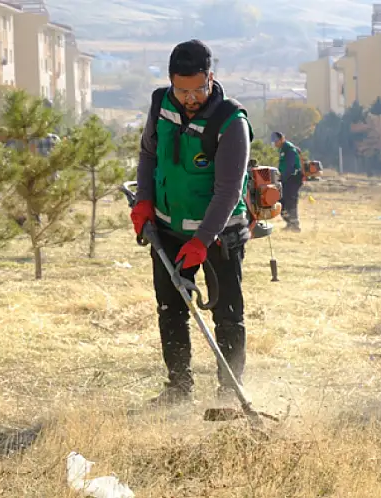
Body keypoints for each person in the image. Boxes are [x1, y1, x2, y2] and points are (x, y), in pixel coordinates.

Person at [130, 39, 254, 406]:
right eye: (182, 90)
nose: (190, 98)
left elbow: (229, 190)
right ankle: (178, 389)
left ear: (211, 78)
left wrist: (202, 240)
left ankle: (229, 396)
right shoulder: (161, 104)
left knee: (227, 315)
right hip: (168, 229)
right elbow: (148, 155)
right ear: (171, 81)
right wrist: (144, 201)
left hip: (220, 234)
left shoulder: (231, 121)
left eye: (198, 89)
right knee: (171, 310)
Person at [271, 131, 303, 232]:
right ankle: (289, 223)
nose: (275, 143)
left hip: (293, 178)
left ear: (282, 139)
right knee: (282, 201)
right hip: (286, 179)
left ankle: (294, 225)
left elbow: (290, 167)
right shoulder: (283, 149)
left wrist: (282, 178)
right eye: (273, 142)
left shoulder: (289, 149)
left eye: (276, 141)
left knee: (290, 200)